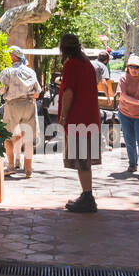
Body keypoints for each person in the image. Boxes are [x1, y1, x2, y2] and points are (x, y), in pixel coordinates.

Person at [57, 32, 101, 212]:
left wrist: (63, 117)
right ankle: (86, 195)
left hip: (78, 118)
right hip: (90, 116)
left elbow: (69, 93)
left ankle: (88, 198)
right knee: (85, 158)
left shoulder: (72, 65)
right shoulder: (87, 64)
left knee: (82, 159)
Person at [0, 46, 41, 178]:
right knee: (28, 139)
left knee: (8, 138)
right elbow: (38, 91)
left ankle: (11, 167)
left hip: (12, 106)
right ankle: (28, 169)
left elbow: (0, 90)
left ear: (13, 56)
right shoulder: (31, 72)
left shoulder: (7, 72)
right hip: (29, 105)